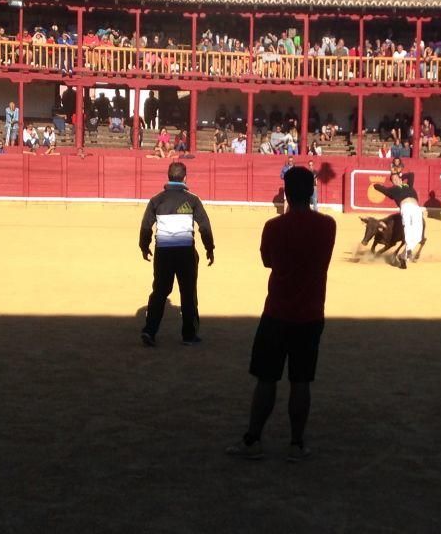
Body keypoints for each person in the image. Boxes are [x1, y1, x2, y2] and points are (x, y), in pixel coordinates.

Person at [227, 166, 336, 462]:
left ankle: (253, 440)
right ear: (311, 192)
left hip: (276, 313)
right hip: (311, 314)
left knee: (266, 379)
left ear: (286, 193)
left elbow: (267, 262)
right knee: (301, 381)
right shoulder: (328, 226)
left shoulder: (273, 227)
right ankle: (297, 444)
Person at [139, 162, 215, 347]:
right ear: (185, 178)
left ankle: (150, 330)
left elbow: (146, 226)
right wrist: (209, 248)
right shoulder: (193, 200)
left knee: (160, 291)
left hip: (163, 251)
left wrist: (144, 246)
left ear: (168, 176)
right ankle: (189, 335)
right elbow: (204, 227)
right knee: (188, 292)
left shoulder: (156, 200)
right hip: (185, 252)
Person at [373, 171, 422, 269]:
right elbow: (377, 187)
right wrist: (378, 184)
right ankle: (407, 252)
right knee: (408, 228)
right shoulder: (392, 190)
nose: (395, 180)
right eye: (393, 180)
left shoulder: (408, 185)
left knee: (418, 236)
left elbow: (411, 174)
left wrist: (400, 176)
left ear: (400, 179)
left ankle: (402, 256)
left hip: (416, 208)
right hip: (406, 207)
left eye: (397, 178)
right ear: (392, 182)